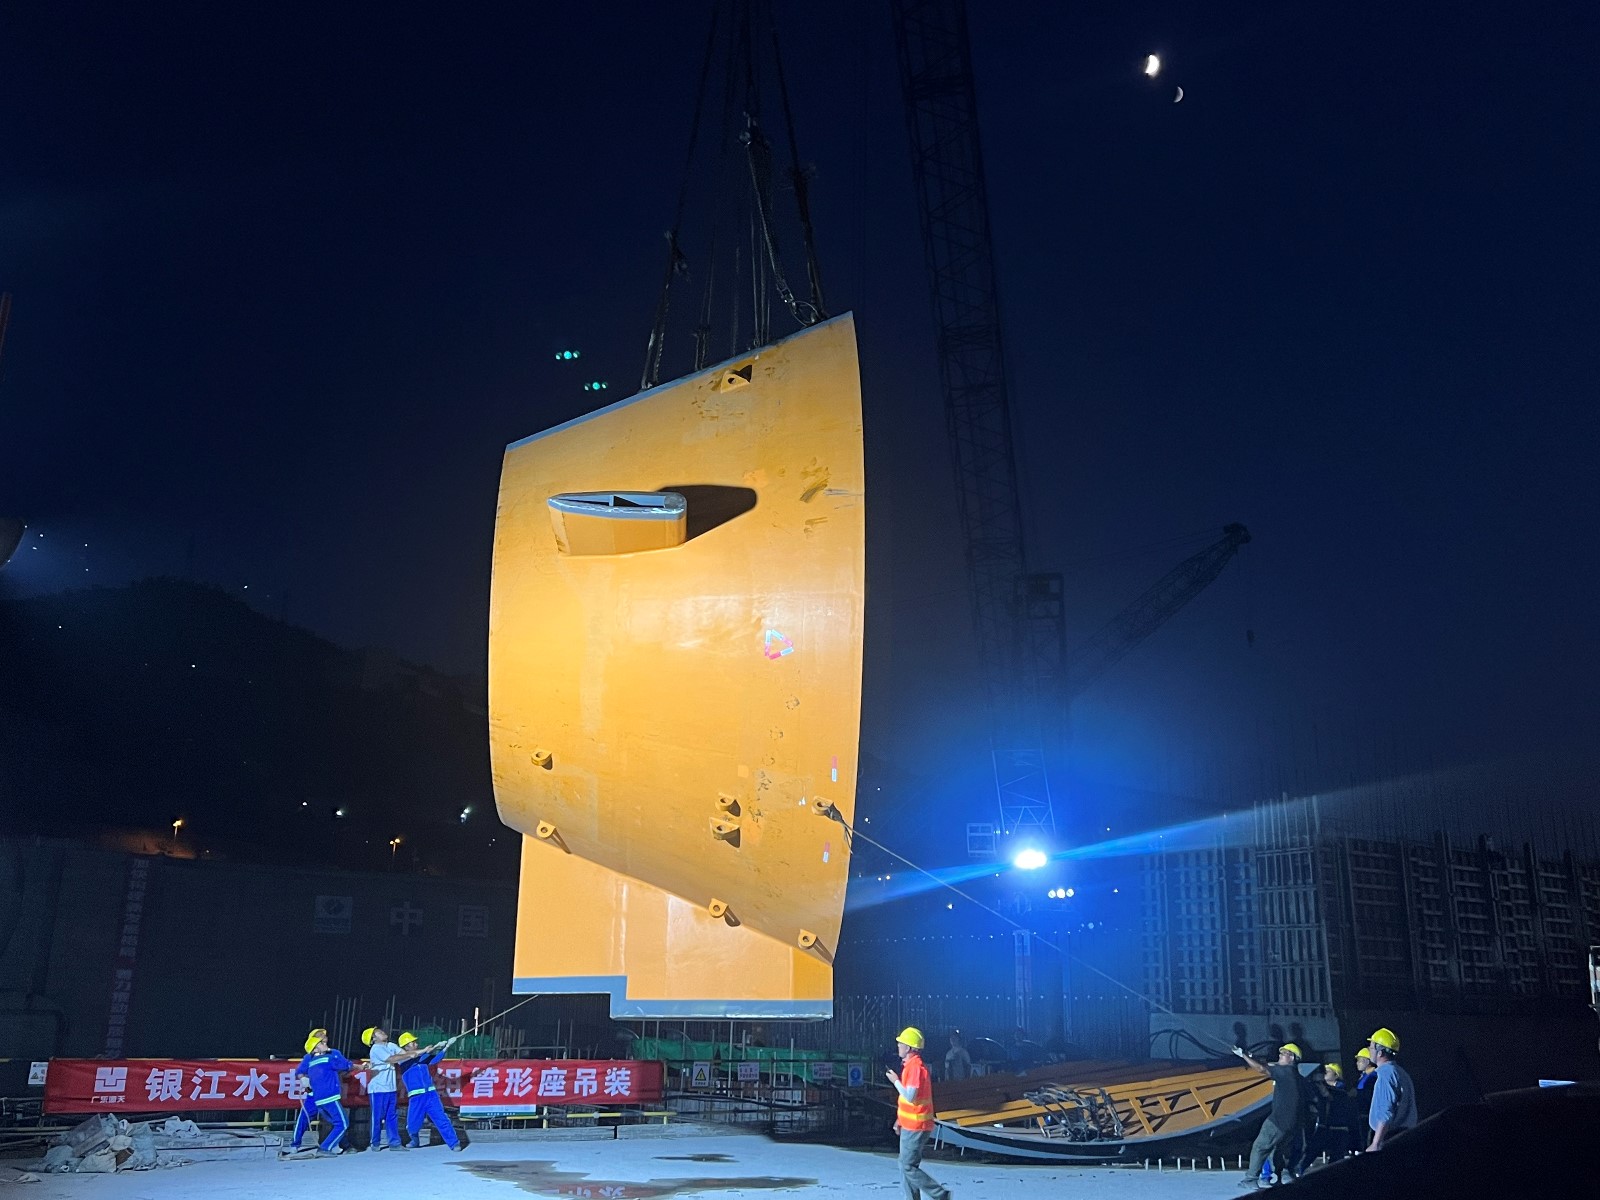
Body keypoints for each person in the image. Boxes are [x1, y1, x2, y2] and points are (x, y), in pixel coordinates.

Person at [885, 1027, 950, 1200]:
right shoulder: (911, 1066)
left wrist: (895, 1081)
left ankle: (939, 1194)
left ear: (909, 1048)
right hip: (912, 1123)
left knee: (907, 1166)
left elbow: (910, 1096)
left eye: (901, 1043)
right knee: (905, 1165)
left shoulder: (915, 1068)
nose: (898, 1046)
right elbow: (909, 1100)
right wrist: (900, 1119)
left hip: (916, 1125)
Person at [1235, 1042, 1304, 1190]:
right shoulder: (1296, 1076)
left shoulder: (1284, 1071)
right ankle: (1283, 1175)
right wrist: (1253, 1057)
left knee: (1260, 1147)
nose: (1280, 1055)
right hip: (1291, 1124)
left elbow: (1262, 1069)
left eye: (1284, 1053)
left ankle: (1250, 1179)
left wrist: (1243, 1056)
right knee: (1275, 1149)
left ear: (1292, 1058)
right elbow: (1268, 1065)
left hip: (1278, 1120)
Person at [391, 1031, 464, 1151]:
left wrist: (446, 1047)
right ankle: (414, 1139)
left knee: (441, 1118)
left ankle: (454, 1143)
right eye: (413, 1042)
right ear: (406, 1047)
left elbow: (434, 1059)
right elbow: (417, 1057)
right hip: (416, 1097)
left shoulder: (421, 1057)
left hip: (431, 1094)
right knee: (413, 1124)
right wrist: (432, 1048)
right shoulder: (402, 1060)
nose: (416, 1044)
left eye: (415, 1042)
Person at [294, 1029, 354, 1156]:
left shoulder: (333, 1053)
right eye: (319, 1036)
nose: (323, 1036)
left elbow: (345, 1066)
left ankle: (340, 1144)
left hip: (324, 1092)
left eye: (323, 1035)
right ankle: (297, 1144)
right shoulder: (313, 1057)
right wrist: (304, 1080)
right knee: (306, 1118)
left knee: (335, 1121)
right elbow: (299, 1072)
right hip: (317, 1094)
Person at [1297, 1062, 1356, 1171]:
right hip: (1325, 1126)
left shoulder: (1342, 1090)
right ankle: (1299, 1170)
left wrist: (1323, 1090)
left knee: (1336, 1160)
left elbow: (1334, 1097)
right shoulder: (1322, 1088)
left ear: (1336, 1075)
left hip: (1339, 1128)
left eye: (1328, 1071)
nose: (1325, 1074)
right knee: (1312, 1151)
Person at [1365, 1027, 1417, 1150]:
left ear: (1380, 1053)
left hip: (1389, 1138)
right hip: (1405, 1135)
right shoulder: (1401, 1073)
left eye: (1371, 1047)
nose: (1369, 1050)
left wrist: (1376, 1143)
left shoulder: (1386, 1074)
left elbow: (1385, 1111)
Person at [362, 1025, 402, 1150]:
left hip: (391, 1088)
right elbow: (392, 1059)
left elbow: (404, 1054)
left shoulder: (390, 1046)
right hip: (378, 1089)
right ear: (373, 1039)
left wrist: (418, 1053)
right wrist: (414, 1054)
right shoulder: (376, 1049)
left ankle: (394, 1143)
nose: (383, 1032)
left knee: (392, 1116)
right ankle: (375, 1142)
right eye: (379, 1032)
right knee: (377, 1116)